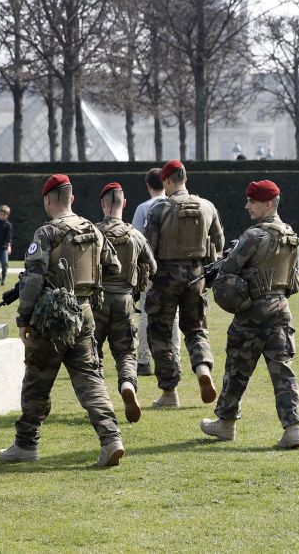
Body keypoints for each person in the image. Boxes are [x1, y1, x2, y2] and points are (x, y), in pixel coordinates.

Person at [0, 174, 126, 467]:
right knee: (91, 379)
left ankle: (26, 444)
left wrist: (23, 319)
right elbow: (114, 265)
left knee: (37, 380)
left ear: (47, 200)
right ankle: (111, 439)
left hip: (51, 319)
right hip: (84, 314)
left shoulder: (46, 233)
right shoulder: (93, 229)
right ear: (72, 198)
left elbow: (32, 280)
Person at [201, 180, 299, 449]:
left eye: (252, 201)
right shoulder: (291, 236)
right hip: (281, 310)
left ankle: (225, 424)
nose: (247, 206)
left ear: (268, 204)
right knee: (283, 372)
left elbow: (228, 271)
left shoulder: (254, 236)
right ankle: (293, 429)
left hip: (252, 312)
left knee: (237, 369)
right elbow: (293, 280)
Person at [143, 159, 224, 408]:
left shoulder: (159, 210)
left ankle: (169, 393)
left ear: (167, 180)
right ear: (184, 178)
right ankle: (202, 369)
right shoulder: (207, 206)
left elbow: (148, 248)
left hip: (165, 277)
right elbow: (219, 244)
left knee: (161, 333)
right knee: (196, 329)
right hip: (197, 275)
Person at [94, 181, 156, 424]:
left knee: (92, 354)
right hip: (125, 301)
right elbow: (153, 267)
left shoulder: (93, 232)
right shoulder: (135, 235)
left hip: (96, 301)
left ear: (103, 204)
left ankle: (101, 401)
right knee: (126, 353)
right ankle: (128, 385)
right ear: (124, 203)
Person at [130, 167, 179, 378]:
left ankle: (143, 361)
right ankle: (175, 359)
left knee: (144, 316)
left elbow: (136, 241)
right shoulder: (174, 205)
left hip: (149, 269)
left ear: (149, 186)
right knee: (173, 317)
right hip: (172, 269)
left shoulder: (143, 208)